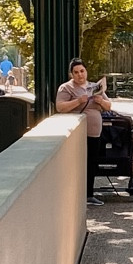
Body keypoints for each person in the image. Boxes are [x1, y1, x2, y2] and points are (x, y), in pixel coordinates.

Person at [56, 57, 112, 204]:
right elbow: (60, 107)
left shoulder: (94, 87)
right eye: (76, 72)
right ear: (71, 74)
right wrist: (78, 101)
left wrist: (101, 101)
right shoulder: (66, 88)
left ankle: (89, 194)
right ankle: (75, 195)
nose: (80, 75)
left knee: (92, 162)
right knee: (77, 163)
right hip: (76, 133)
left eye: (82, 71)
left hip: (94, 133)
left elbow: (109, 106)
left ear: (86, 71)